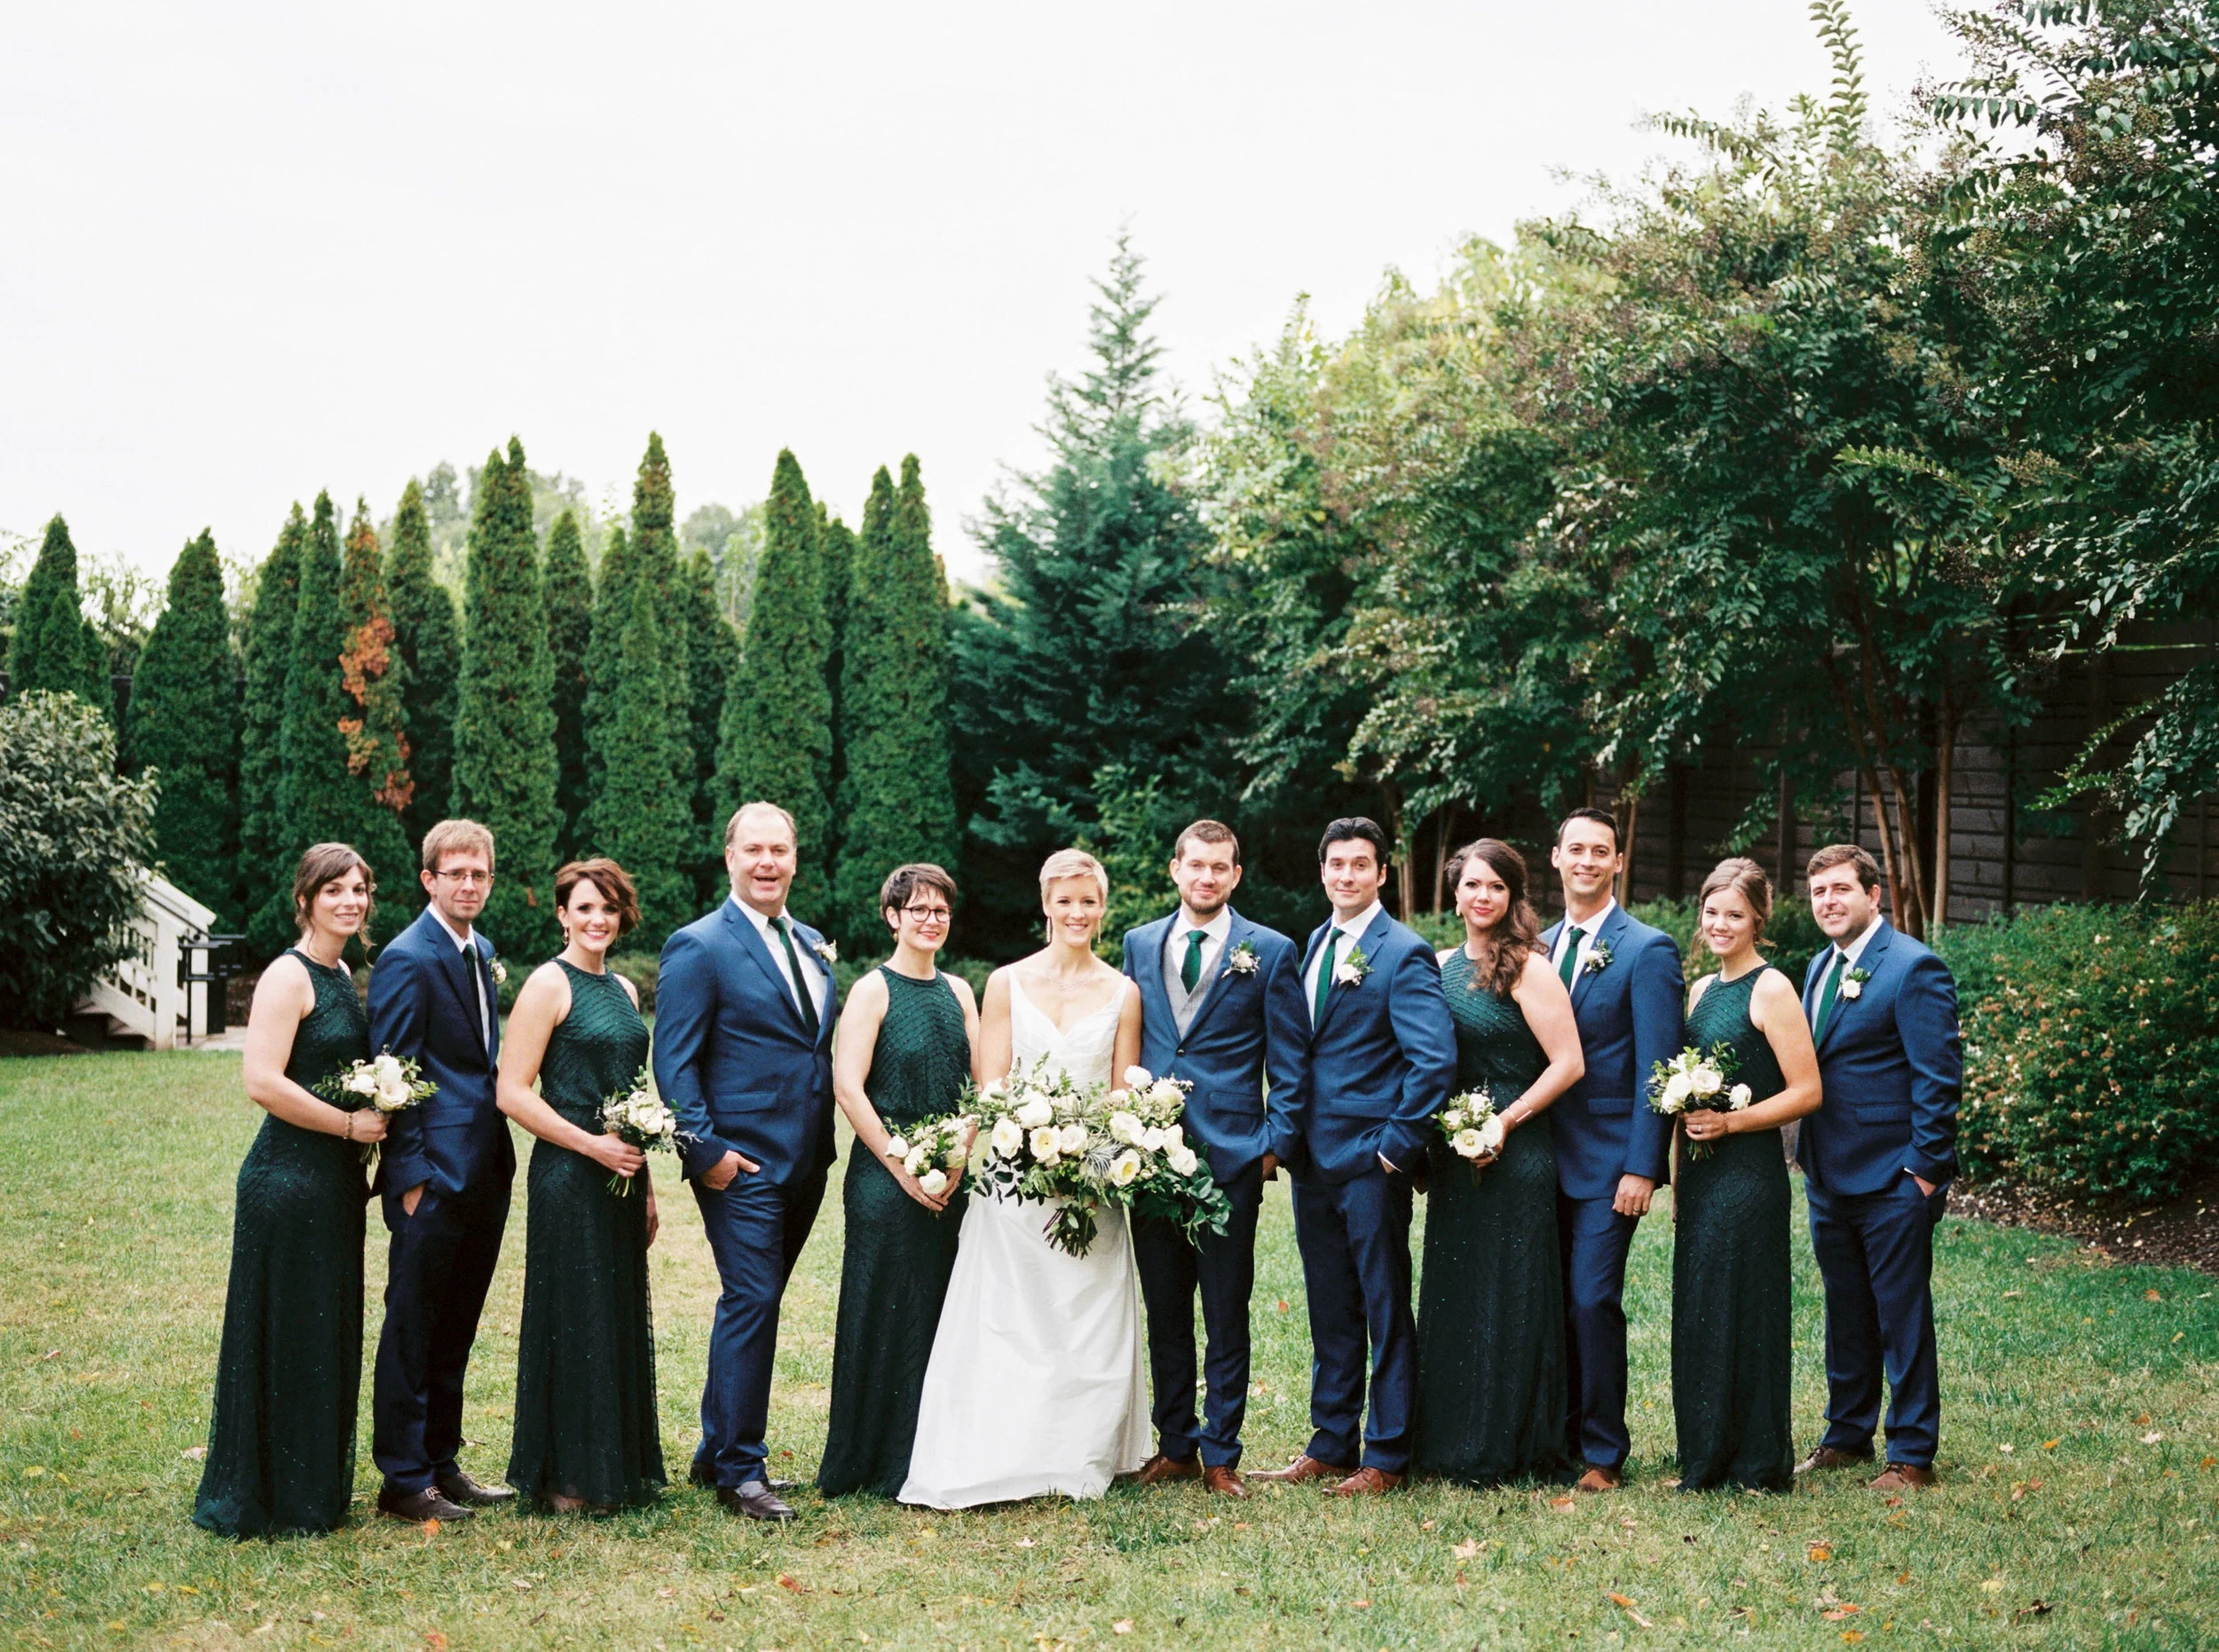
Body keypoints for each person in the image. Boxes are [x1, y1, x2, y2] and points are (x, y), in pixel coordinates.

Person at [899, 849, 1151, 1508]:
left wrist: (1087, 1150)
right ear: (1045, 905)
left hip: (1091, 1180)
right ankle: (1000, 1451)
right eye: (1064, 900)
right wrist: (955, 1163)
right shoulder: (1006, 983)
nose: (1077, 912)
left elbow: (1124, 1094)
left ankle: (1076, 1451)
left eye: (1088, 901)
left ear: (1103, 908)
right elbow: (992, 1087)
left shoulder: (1124, 993)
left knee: (1083, 1316)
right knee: (1010, 1317)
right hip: (1015, 1176)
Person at [1252, 818, 1456, 1498]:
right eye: (1336, 863)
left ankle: (1389, 1453)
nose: (1347, 875)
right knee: (1330, 1308)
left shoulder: (1404, 952)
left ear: (1381, 874)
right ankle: (1332, 1441)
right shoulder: (1315, 943)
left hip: (1371, 1163)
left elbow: (1433, 1062)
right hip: (1312, 1161)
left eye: (1360, 864)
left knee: (1384, 1306)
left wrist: (1395, 1152)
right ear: (1323, 871)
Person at [655, 802, 841, 1522]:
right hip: (740, 1164)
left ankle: (715, 1449)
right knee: (752, 1300)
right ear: (728, 857)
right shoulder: (698, 944)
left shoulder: (812, 940)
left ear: (795, 858)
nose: (768, 862)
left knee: (754, 1305)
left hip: (806, 1161)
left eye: (780, 850)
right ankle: (741, 1471)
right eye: (754, 849)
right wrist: (707, 1156)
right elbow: (673, 1061)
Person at [193, 845, 383, 1537]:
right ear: (305, 899)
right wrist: (348, 1123)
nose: (349, 900)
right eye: (334, 889)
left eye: (358, 889)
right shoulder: (288, 974)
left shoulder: (341, 974)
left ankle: (312, 1488)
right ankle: (268, 1493)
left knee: (323, 1328)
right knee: (286, 1329)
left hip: (335, 1186)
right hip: (288, 1179)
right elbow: (262, 1082)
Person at [1117, 820, 1310, 1499]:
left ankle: (1220, 1451)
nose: (1206, 877)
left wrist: (1272, 1145)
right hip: (1149, 1158)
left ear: (1235, 875)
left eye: (1219, 867)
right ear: (1175, 869)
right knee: (1166, 1307)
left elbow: (1290, 1060)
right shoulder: (1138, 944)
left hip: (1232, 1158)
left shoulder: (1271, 950)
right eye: (1195, 865)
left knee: (1227, 1308)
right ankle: (1174, 1443)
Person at [1413, 839, 1584, 1486]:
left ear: (1513, 897)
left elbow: (1569, 1062)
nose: (1482, 896)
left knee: (1512, 1293)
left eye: (1496, 886)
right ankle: (1448, 1439)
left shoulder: (1529, 969)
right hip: (1457, 1154)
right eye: (1471, 885)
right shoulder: (1436, 965)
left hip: (1518, 1149)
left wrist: (1505, 1122)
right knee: (1458, 1293)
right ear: (1454, 893)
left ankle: (1508, 1441)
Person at [498, 858, 666, 1514]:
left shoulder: (623, 989)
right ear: (563, 914)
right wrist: (590, 1144)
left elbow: (632, 1095)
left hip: (621, 1179)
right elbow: (510, 1090)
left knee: (613, 1312)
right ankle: (567, 1477)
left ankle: (611, 1466)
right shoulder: (548, 983)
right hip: (568, 1174)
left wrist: (646, 1183)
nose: (598, 919)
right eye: (585, 908)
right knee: (574, 1314)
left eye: (609, 908)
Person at [1794, 844, 1962, 1492]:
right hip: (1827, 1174)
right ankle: (1846, 1434)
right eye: (1819, 893)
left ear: (1875, 894)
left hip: (1893, 1177)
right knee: (1846, 1310)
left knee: (1901, 1314)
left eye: (1841, 889)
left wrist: (1921, 1173)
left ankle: (1913, 1452)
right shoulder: (1818, 967)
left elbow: (1938, 1079)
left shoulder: (1913, 968)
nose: (1829, 902)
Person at [367, 818, 517, 1522]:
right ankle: (403, 1477)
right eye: (454, 873)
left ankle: (441, 1460)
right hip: (433, 1174)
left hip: (486, 1168)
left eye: (478, 873)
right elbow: (393, 1071)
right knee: (414, 1323)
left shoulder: (481, 950)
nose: (468, 884)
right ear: (428, 879)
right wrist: (414, 1174)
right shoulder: (408, 955)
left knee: (457, 1321)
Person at [819, 864, 980, 1498]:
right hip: (884, 1176)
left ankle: (931, 1453)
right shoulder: (871, 990)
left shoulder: (962, 990)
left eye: (940, 909)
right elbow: (848, 1086)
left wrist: (960, 1150)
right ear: (893, 916)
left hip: (951, 1173)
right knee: (884, 1307)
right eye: (918, 909)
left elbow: (978, 1080)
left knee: (943, 1310)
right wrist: (901, 1162)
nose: (930, 920)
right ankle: (871, 1457)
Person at [1541, 806, 1684, 1492]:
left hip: (1607, 1163)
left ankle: (1602, 1450)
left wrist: (1643, 1165)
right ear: (1556, 857)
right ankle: (1554, 1436)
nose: (1588, 860)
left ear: (1619, 862)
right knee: (1551, 1301)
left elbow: (1659, 1066)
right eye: (1577, 849)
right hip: (1540, 1160)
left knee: (1593, 1299)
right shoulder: (1536, 946)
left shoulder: (1646, 949)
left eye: (1602, 850)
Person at [1671, 858, 1821, 1493]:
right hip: (1701, 1178)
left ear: (1759, 917)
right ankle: (1705, 1457)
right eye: (1712, 911)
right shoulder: (1701, 989)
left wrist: (1735, 1124)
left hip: (1749, 1173)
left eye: (1735, 913)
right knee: (1701, 1308)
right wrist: (1678, 1184)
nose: (1721, 923)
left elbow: (1808, 1089)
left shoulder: (1772, 987)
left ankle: (1758, 1461)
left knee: (1745, 1307)